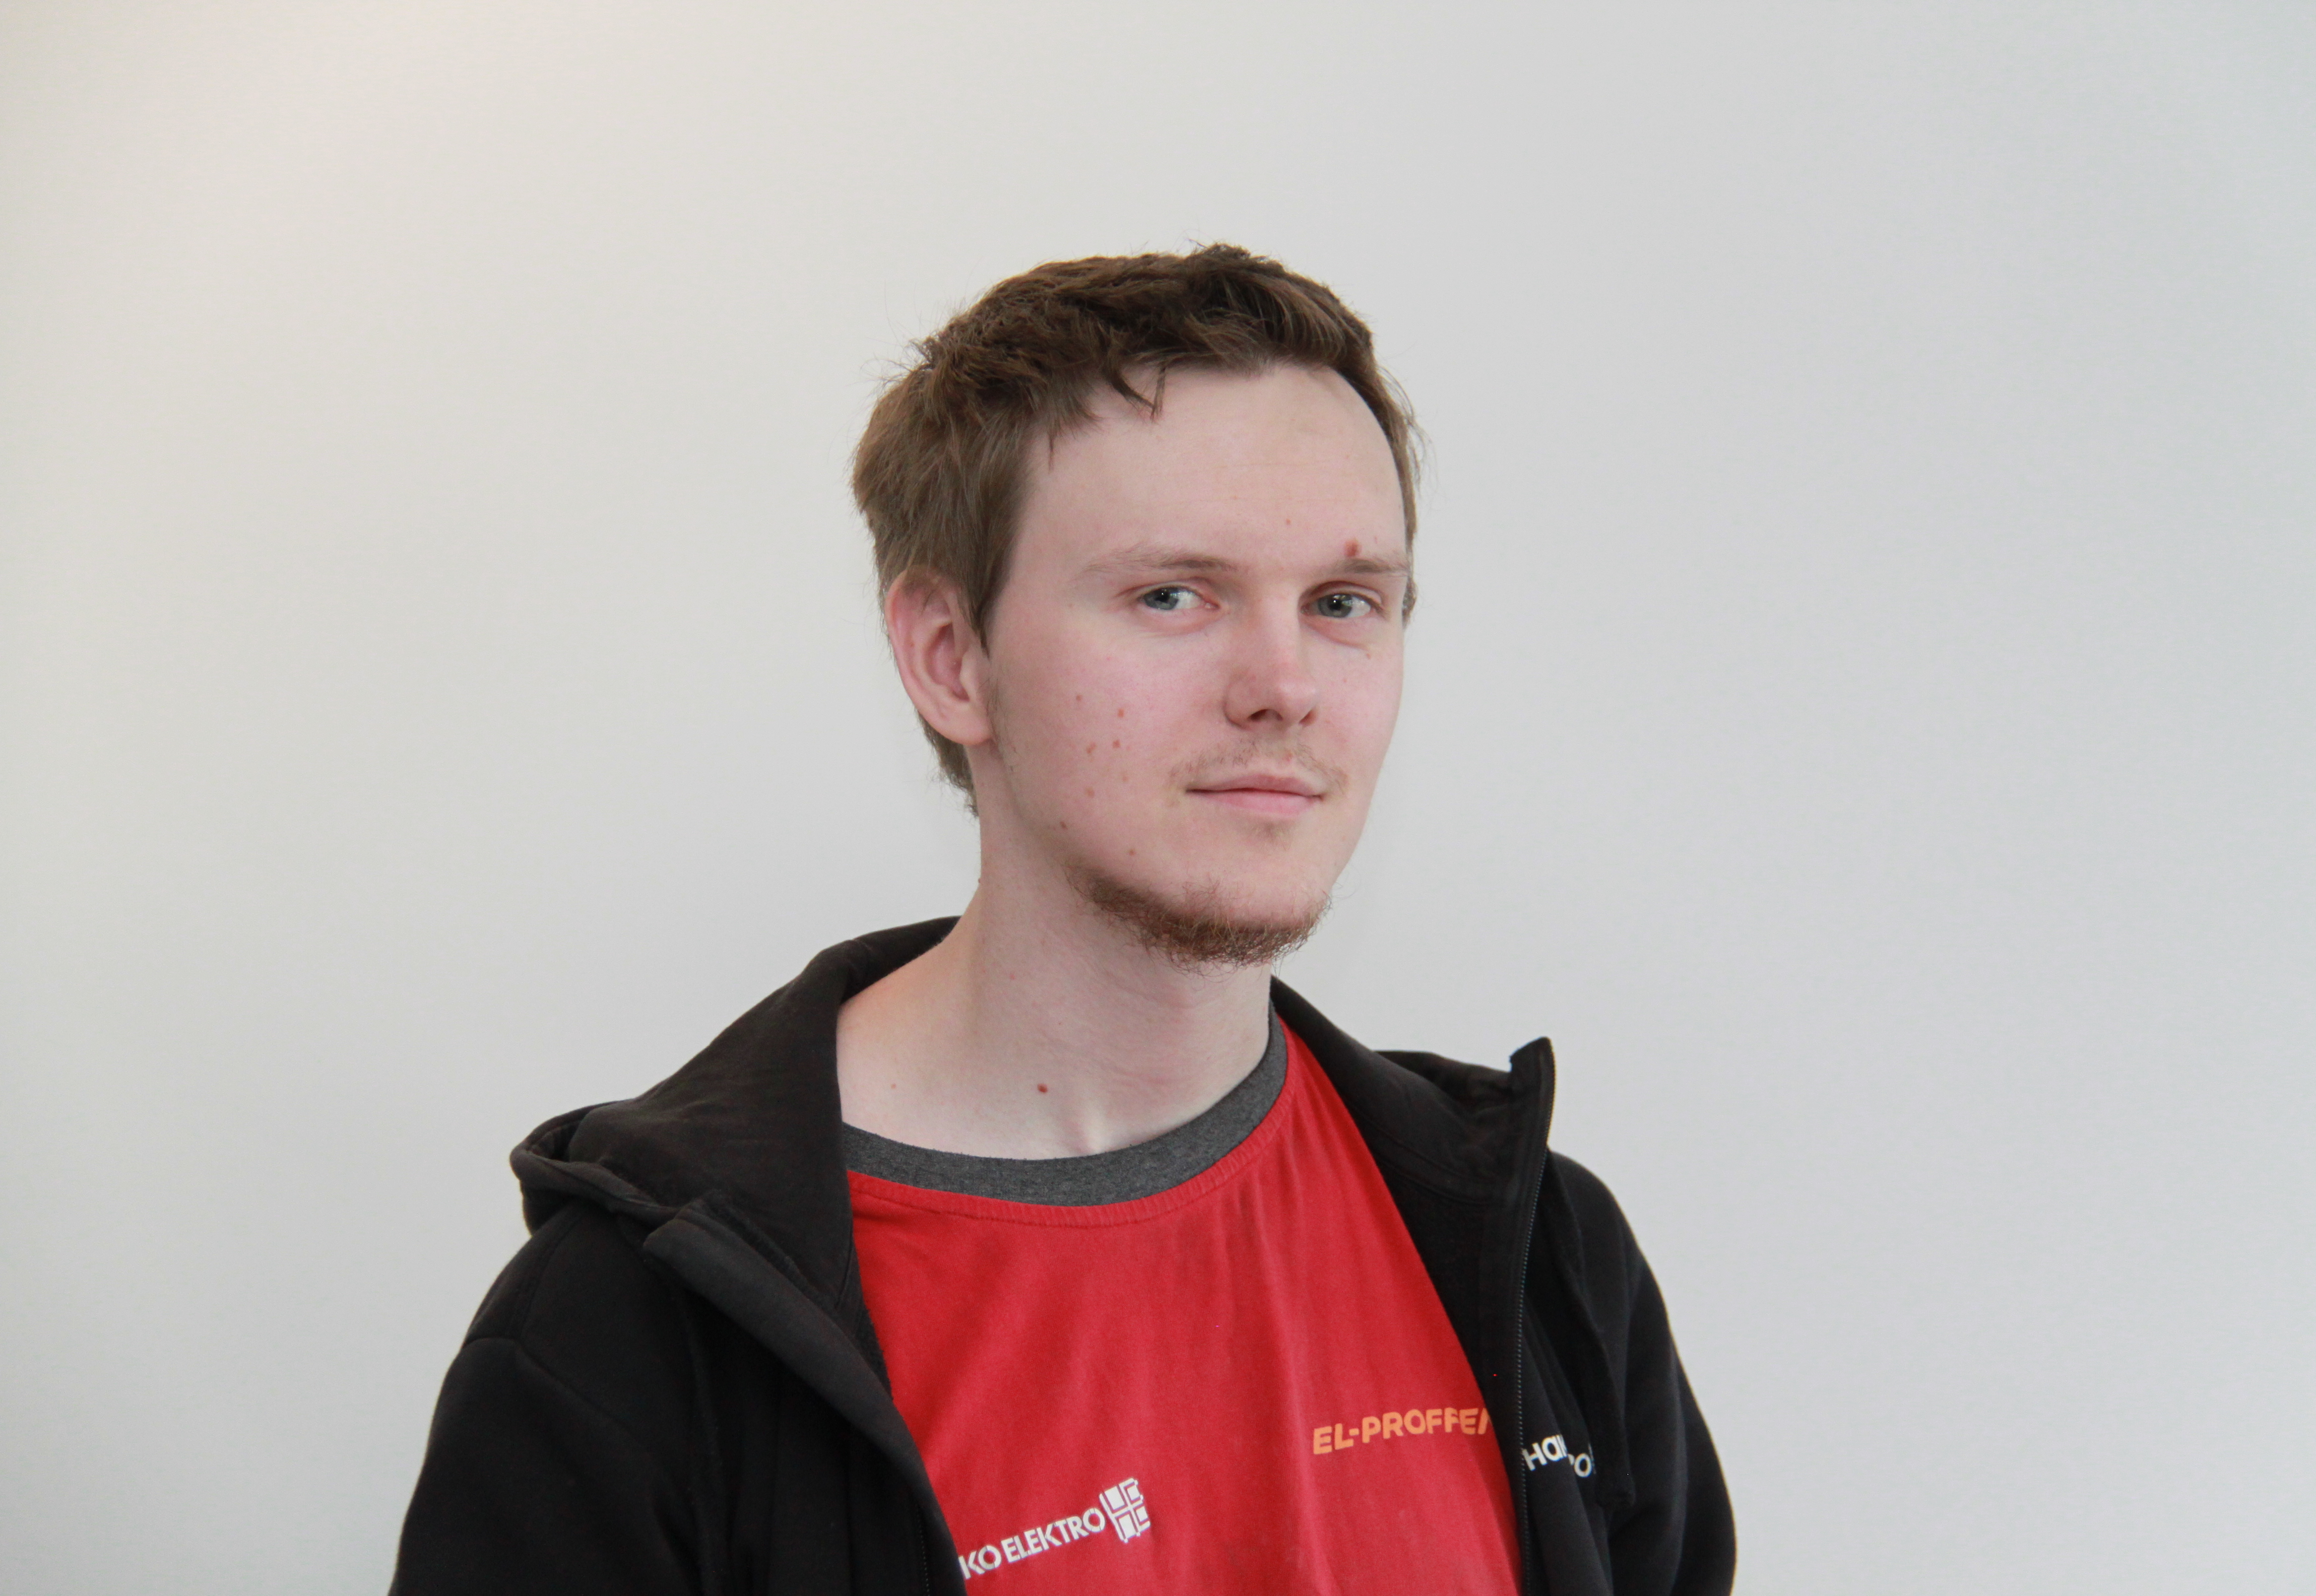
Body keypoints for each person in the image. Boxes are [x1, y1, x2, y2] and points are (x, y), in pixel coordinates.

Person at [390, 245, 1733, 1595]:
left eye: (1343, 604)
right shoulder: (628, 1340)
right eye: (1174, 595)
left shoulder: (1541, 1257)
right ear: (949, 658)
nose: (1285, 685)